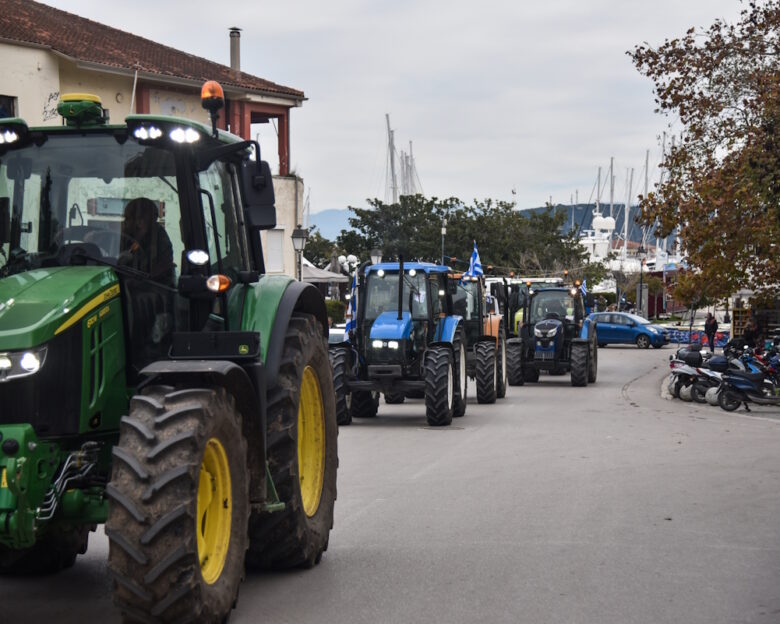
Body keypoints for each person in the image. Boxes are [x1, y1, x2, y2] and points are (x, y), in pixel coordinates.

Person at [119, 197, 175, 286]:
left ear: (140, 222)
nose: (125, 222)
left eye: (127, 218)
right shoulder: (127, 238)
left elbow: (156, 272)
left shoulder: (159, 240)